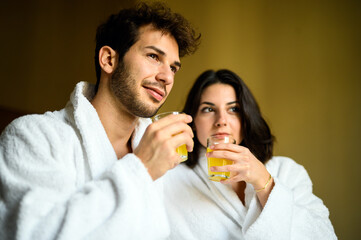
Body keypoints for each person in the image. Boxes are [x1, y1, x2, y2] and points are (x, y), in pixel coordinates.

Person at [0, 2, 200, 239]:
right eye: (153, 56)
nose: (167, 77)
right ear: (108, 60)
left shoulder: (163, 155)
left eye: (173, 68)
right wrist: (142, 169)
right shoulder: (32, 136)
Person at [163, 69, 337, 239]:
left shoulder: (288, 171)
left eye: (234, 109)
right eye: (208, 109)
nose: (221, 121)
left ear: (246, 117)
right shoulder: (170, 179)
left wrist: (264, 181)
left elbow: (323, 234)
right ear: (192, 121)